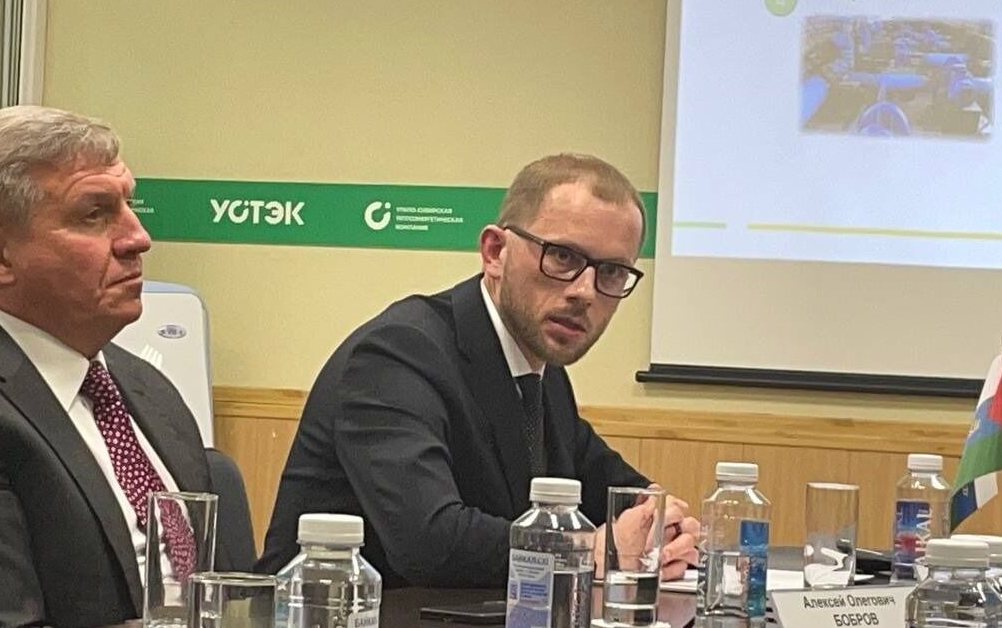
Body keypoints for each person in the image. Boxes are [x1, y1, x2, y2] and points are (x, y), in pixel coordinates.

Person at [257, 153, 699, 588]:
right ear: (495, 252)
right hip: (328, 626)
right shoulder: (397, 355)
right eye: (563, 257)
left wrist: (662, 524)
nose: (585, 292)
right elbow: (428, 541)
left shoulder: (542, 373)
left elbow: (615, 488)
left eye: (612, 272)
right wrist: (591, 551)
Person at [0, 106, 217, 628]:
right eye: (94, 214)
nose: (138, 238)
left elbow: (218, 602)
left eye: (129, 205)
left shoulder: (148, 389)